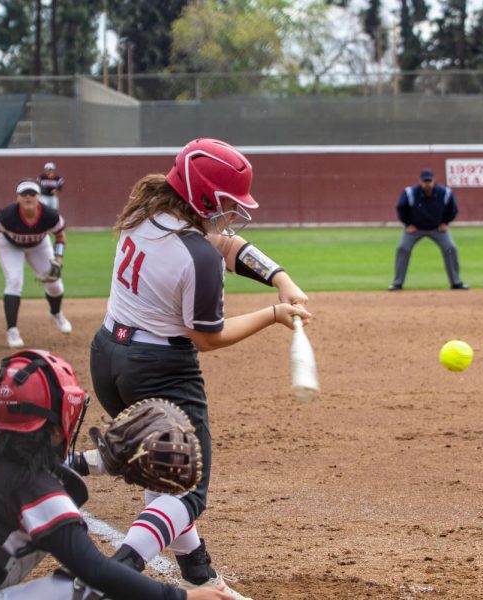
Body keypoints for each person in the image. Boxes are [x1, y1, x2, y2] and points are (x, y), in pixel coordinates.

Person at [85, 138, 312, 600]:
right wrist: (273, 314)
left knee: (163, 468)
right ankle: (114, 577)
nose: (232, 212)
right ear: (204, 196)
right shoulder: (197, 255)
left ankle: (198, 572)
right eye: (226, 202)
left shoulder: (145, 210)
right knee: (188, 488)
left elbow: (224, 242)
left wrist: (281, 278)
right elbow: (208, 336)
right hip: (160, 369)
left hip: (108, 354)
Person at [0, 349, 231, 600]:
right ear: (57, 420)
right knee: (84, 590)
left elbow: (30, 467)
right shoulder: (34, 487)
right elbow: (95, 569)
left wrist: (103, 460)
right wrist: (183, 598)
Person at [0, 179, 72, 349]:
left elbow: (61, 236)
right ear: (17, 197)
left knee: (55, 285)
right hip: (8, 245)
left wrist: (58, 259)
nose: (28, 198)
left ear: (38, 197)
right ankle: (12, 331)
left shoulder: (50, 215)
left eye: (32, 194)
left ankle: (55, 313)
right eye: (24, 194)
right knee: (14, 281)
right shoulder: (7, 215)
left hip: (39, 245)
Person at [389, 168, 468, 291]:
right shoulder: (410, 193)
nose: (427, 184)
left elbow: (453, 209)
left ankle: (456, 282)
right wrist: (408, 224)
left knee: (450, 248)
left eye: (429, 181)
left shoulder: (445, 193)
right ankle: (397, 283)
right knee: (402, 248)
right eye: (424, 181)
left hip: (437, 228)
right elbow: (401, 208)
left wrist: (445, 223)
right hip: (415, 228)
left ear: (434, 181)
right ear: (420, 181)